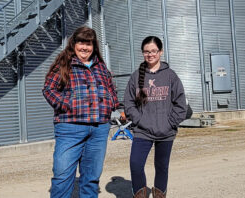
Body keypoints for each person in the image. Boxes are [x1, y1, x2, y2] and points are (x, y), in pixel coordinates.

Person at [42, 26, 119, 198]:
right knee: (62, 177)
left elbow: (111, 88)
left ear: (94, 46)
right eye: (81, 43)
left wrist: (112, 102)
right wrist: (66, 104)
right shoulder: (64, 63)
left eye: (88, 44)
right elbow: (48, 89)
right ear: (74, 44)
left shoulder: (100, 66)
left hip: (99, 128)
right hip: (70, 128)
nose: (84, 47)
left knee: (91, 179)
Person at [124, 36, 187, 198]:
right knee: (136, 164)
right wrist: (139, 120)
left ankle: (159, 195)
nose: (150, 54)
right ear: (142, 53)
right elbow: (129, 103)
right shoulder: (136, 76)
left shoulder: (170, 76)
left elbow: (181, 105)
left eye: (153, 51)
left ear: (160, 52)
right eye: (146, 51)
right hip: (143, 131)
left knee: (161, 166)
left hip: (166, 132)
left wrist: (169, 123)